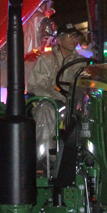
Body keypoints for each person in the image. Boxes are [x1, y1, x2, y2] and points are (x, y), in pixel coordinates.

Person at [27, 23, 86, 165]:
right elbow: (35, 86)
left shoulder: (81, 62)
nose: (74, 39)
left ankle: (83, 158)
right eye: (70, 36)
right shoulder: (47, 59)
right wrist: (56, 98)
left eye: (75, 36)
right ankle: (45, 159)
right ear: (59, 40)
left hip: (72, 105)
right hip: (50, 102)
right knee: (46, 111)